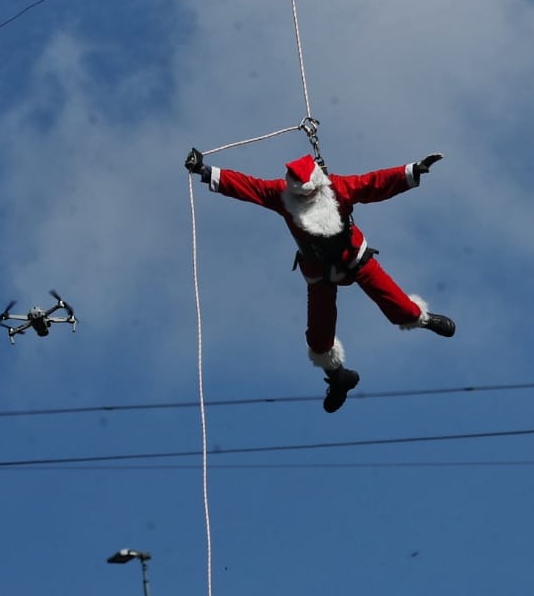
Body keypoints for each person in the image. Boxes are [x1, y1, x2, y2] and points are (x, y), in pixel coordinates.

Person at [185, 147, 456, 412]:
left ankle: (423, 318)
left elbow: (373, 183)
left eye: (310, 193)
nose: (306, 198)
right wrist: (205, 170)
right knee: (318, 336)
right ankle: (339, 378)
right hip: (319, 272)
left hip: (353, 257)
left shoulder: (337, 188)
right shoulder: (280, 195)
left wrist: (410, 171)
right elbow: (246, 186)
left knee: (393, 300)